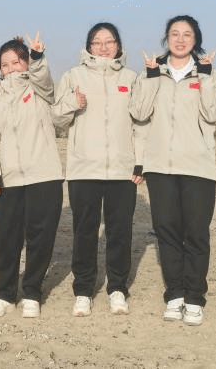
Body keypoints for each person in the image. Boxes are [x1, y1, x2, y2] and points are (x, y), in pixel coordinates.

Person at [132, 15, 216, 326]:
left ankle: (195, 297)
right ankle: (174, 294)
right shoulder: (152, 73)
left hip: (198, 167)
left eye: (187, 34)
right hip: (160, 166)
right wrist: (150, 76)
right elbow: (139, 112)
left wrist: (207, 77)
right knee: (167, 231)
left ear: (196, 40)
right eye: (175, 34)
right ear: (166, 38)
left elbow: (214, 114)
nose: (181, 39)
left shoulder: (208, 74)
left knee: (196, 233)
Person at [53, 21, 146, 317]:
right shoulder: (73, 76)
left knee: (120, 232)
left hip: (122, 170)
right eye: (97, 42)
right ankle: (83, 291)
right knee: (84, 232)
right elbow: (57, 119)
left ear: (118, 45)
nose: (103, 47)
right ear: (88, 46)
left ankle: (117, 289)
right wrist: (72, 102)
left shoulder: (131, 78)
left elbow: (141, 122)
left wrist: (140, 161)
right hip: (83, 169)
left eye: (109, 41)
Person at [0, 33, 70, 318]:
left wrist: (37, 57)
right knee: (7, 239)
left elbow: (44, 80)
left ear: (26, 63)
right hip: (8, 180)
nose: (11, 68)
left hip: (44, 175)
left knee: (40, 238)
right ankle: (5, 294)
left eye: (16, 61)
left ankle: (32, 292)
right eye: (5, 64)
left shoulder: (38, 89)